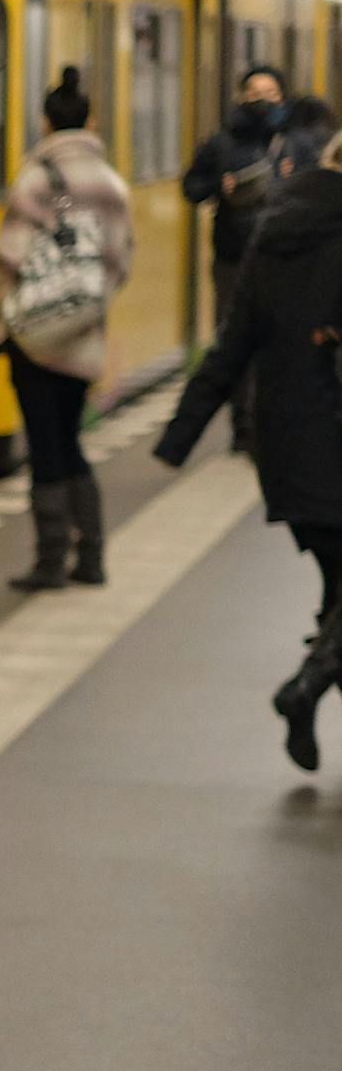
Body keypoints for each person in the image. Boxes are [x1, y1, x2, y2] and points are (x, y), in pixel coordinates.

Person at [157, 128, 342, 771]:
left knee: (336, 586)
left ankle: (311, 696)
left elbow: (234, 343)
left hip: (288, 444)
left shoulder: (275, 232)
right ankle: (307, 688)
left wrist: (179, 437)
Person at [0, 66, 134, 592]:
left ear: (46, 124)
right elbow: (120, 264)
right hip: (84, 336)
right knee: (71, 439)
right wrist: (84, 305)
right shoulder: (113, 185)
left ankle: (50, 561)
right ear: (90, 120)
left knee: (44, 444)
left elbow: (8, 258)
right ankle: (91, 555)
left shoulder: (36, 179)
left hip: (34, 338)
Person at [184, 64, 289, 451]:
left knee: (275, 341)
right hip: (232, 259)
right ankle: (242, 421)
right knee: (235, 340)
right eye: (254, 93)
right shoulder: (219, 144)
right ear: (241, 97)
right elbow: (191, 186)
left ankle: (266, 416)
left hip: (281, 259)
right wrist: (220, 186)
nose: (262, 100)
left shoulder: (292, 144)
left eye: (271, 93)